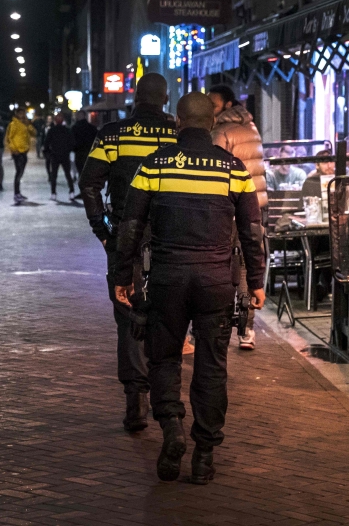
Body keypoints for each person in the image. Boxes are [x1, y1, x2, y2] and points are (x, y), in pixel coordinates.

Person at [114, 92, 266, 484]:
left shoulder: (155, 164)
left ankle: (172, 429)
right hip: (216, 281)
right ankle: (204, 455)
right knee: (212, 367)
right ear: (212, 123)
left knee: (163, 359)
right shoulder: (232, 168)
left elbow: (131, 225)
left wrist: (122, 277)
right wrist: (257, 281)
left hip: (167, 279)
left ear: (177, 122)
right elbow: (251, 229)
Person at [80, 73, 176, 432]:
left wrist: (102, 232)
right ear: (165, 99)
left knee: (128, 315)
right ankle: (166, 399)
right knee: (168, 316)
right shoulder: (177, 133)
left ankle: (135, 403)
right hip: (170, 237)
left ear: (135, 99)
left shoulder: (112, 134)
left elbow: (89, 183)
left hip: (125, 236)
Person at [207, 85, 268, 351]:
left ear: (227, 105)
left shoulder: (220, 131)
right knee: (245, 264)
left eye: (214, 104)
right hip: (255, 204)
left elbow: (214, 172)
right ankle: (247, 330)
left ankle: (208, 328)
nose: (210, 108)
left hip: (229, 207)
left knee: (221, 265)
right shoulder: (251, 127)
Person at [5, 107, 35, 204]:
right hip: (17, 151)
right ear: (16, 114)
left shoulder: (25, 124)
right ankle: (16, 194)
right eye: (20, 113)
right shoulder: (13, 124)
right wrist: (13, 149)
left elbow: (34, 133)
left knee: (21, 172)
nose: (22, 115)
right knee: (18, 172)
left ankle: (18, 193)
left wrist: (28, 125)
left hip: (24, 151)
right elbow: (9, 138)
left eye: (23, 113)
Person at [43, 112, 74, 201]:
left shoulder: (52, 130)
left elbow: (46, 143)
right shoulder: (67, 130)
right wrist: (68, 150)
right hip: (64, 154)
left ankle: (53, 193)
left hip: (55, 154)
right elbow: (72, 142)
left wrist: (47, 153)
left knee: (54, 175)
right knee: (67, 174)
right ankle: (71, 191)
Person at [70, 111, 98, 199]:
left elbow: (72, 141)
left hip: (79, 153)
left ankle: (84, 192)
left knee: (81, 173)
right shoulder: (92, 128)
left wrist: (73, 149)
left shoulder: (75, 128)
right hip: (90, 153)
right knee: (88, 174)